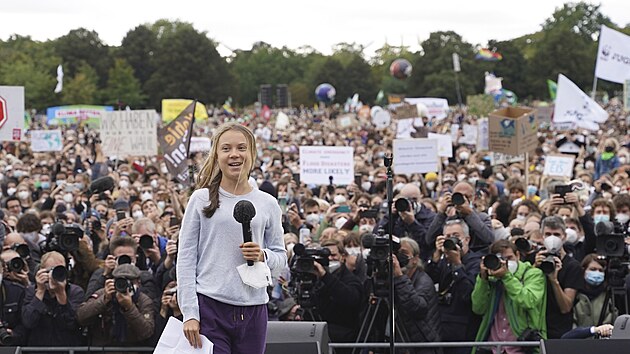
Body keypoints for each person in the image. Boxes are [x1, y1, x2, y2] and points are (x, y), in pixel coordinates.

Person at [177, 122, 287, 353]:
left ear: (252, 153)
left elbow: (281, 258)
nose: (234, 154)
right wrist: (190, 313)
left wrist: (262, 255)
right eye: (226, 148)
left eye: (241, 148)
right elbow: (186, 259)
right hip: (211, 307)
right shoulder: (200, 199)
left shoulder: (268, 203)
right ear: (216, 155)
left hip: (255, 310)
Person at [472, 240, 547, 354]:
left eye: (509, 258)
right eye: (500, 259)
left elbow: (528, 300)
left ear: (517, 255)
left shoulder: (533, 274)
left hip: (522, 347)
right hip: (493, 347)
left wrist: (506, 277)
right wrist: (483, 279)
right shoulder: (492, 279)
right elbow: (478, 308)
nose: (505, 263)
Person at [426, 219, 482, 354]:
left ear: (467, 239)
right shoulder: (443, 261)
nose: (451, 240)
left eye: (456, 236)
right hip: (440, 328)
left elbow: (468, 294)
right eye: (447, 237)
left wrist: (457, 264)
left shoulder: (476, 262)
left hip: (464, 331)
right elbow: (428, 280)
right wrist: (435, 257)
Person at [76, 263, 155, 346]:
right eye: (120, 280)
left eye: (129, 281)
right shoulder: (103, 294)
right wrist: (104, 300)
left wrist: (130, 308)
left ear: (138, 282)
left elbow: (147, 332)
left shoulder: (143, 300)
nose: (125, 284)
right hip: (103, 348)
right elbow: (81, 317)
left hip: (131, 349)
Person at [21, 251, 84, 348]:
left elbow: (71, 324)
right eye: (50, 270)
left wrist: (61, 293)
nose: (53, 275)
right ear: (41, 271)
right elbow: (28, 322)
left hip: (66, 348)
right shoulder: (31, 291)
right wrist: (40, 291)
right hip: (38, 349)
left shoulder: (75, 292)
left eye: (59, 270)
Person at [534, 216, 583, 339]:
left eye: (556, 234)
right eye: (548, 234)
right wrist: (534, 268)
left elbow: (566, 307)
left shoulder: (573, 266)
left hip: (558, 331)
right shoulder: (533, 260)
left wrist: (554, 280)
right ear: (542, 236)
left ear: (564, 237)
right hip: (535, 329)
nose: (552, 238)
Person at [393, 237, 441, 354]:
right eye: (397, 254)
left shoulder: (423, 281)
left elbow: (417, 308)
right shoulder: (393, 280)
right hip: (402, 342)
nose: (400, 258)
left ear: (415, 259)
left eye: (404, 253)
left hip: (422, 344)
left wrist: (400, 277)